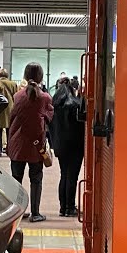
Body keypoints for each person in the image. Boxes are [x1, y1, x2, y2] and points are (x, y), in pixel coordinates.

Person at [8, 62, 54, 222]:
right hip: (35, 146)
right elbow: (46, 121)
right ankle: (35, 213)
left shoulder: (17, 96)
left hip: (16, 145)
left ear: (25, 76)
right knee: (36, 179)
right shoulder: (45, 98)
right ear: (41, 77)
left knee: (16, 180)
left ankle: (17, 213)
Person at [50, 77, 86, 217]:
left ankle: (63, 207)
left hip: (60, 145)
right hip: (75, 146)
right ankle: (70, 207)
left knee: (64, 175)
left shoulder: (55, 105)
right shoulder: (76, 105)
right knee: (72, 176)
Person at [0, 68, 19, 157]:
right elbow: (16, 96)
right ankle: (9, 149)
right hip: (10, 108)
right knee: (9, 130)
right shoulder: (13, 84)